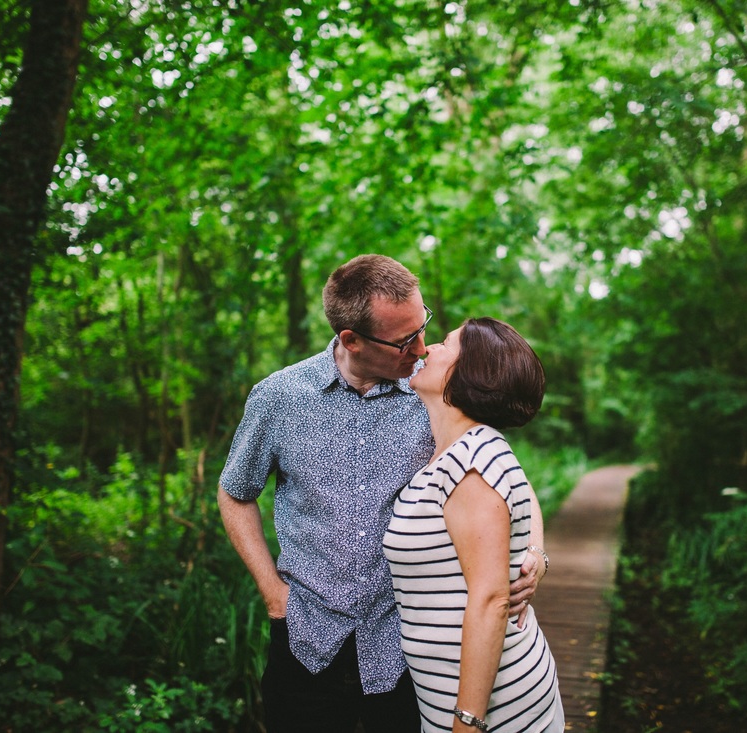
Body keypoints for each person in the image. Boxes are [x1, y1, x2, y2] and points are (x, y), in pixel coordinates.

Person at [217, 255, 549, 733]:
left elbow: (499, 475)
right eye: (403, 340)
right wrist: (274, 595)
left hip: (406, 653)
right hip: (304, 637)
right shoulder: (279, 398)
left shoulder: (437, 392)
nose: (420, 348)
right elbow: (235, 493)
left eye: (423, 327)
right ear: (351, 339)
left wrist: (533, 550)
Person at [384, 317, 564, 733]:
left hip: (491, 707)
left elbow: (490, 601)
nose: (427, 349)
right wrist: (535, 549)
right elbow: (522, 496)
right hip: (447, 696)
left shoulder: (471, 463)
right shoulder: (459, 452)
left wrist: (467, 722)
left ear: (469, 373)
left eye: (446, 344)